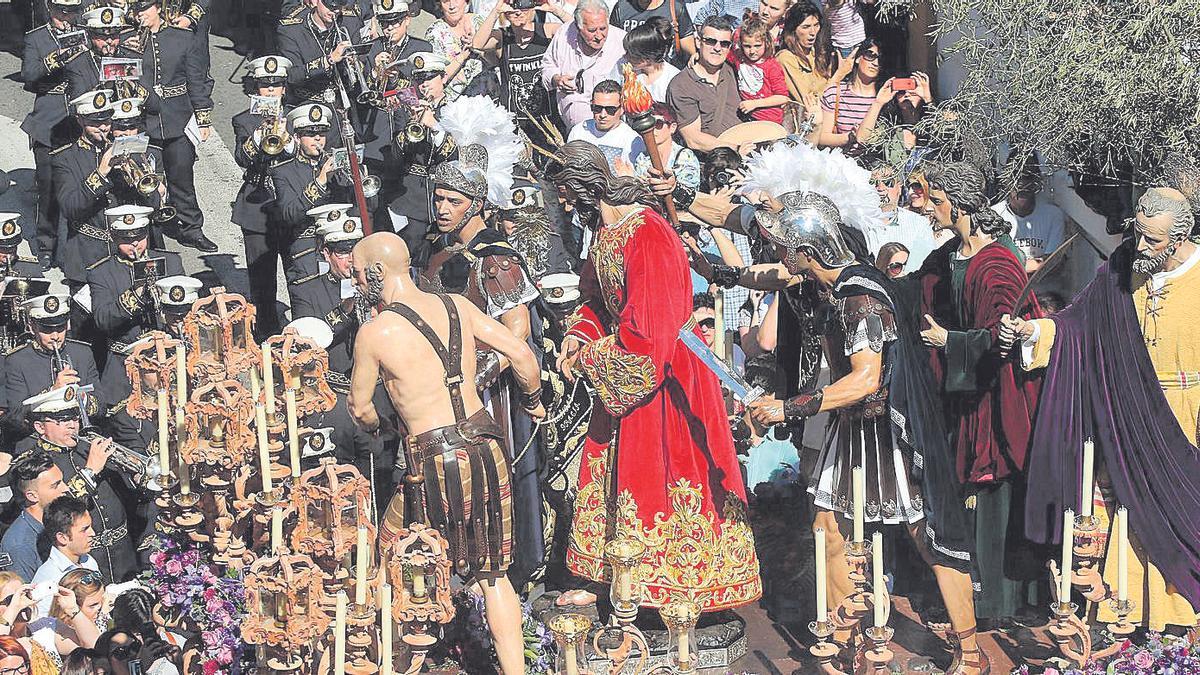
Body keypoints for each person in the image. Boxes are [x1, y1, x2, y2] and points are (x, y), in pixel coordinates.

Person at [736, 167, 981, 672]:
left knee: (926, 531)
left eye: (790, 249)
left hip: (888, 431)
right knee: (829, 526)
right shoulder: (850, 281)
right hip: (855, 429)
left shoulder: (856, 296)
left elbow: (867, 380)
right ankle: (846, 639)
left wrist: (787, 408)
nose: (785, 258)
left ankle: (971, 650)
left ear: (809, 251)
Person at [548, 141, 761, 611]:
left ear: (581, 187)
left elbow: (650, 334)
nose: (561, 202)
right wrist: (580, 333)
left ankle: (672, 584)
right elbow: (597, 299)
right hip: (621, 372)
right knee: (610, 474)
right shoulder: (607, 233)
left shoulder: (649, 233)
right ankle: (608, 576)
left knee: (658, 476)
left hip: (667, 378)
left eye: (564, 191)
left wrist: (589, 359)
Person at [1000, 187, 1200, 630]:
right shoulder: (1124, 268)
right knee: (1130, 517)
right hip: (1128, 419)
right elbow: (1076, 324)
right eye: (1139, 235)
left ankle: (1181, 624)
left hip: (1184, 422)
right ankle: (1129, 618)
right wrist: (1032, 332)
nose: (1141, 247)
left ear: (1182, 235)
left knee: (1183, 521)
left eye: (1154, 241)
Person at [348, 231, 545, 675]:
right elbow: (520, 353)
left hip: (432, 460)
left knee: (390, 554)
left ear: (376, 274)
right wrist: (533, 402)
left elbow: (360, 408)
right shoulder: (458, 305)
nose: (357, 282)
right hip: (486, 445)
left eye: (359, 274)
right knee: (493, 576)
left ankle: (389, 661)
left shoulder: (375, 332)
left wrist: (380, 427)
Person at [913, 160, 1043, 625]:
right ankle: (971, 594)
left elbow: (999, 335)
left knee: (993, 499)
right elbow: (921, 288)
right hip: (966, 398)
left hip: (995, 399)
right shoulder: (953, 253)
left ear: (959, 201)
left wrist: (949, 342)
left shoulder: (996, 262)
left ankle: (997, 603)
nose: (929, 207)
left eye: (936, 198)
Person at [124, 0, 217, 253]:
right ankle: (151, 233)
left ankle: (191, 228)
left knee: (183, 178)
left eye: (144, 10)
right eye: (136, 11)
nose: (139, 15)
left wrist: (203, 116)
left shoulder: (182, 37)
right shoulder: (128, 41)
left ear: (157, 9)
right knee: (146, 179)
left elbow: (196, 79)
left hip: (177, 117)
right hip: (144, 122)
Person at [25, 389, 134, 585]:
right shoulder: (37, 464)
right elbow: (55, 509)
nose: (71, 425)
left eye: (74, 418)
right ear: (40, 427)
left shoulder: (87, 447)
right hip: (87, 557)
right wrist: (90, 470)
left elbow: (127, 488)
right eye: (61, 420)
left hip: (123, 552)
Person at [21, 0, 85, 269]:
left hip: (82, 119)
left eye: (71, 11)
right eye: (61, 11)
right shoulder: (37, 38)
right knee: (48, 188)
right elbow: (29, 75)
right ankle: (46, 244)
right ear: (50, 9)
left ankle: (78, 244)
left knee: (82, 185)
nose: (66, 16)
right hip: (49, 120)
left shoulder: (86, 33)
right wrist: (55, 59)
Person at [233, 55, 293, 338]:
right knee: (262, 280)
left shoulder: (297, 117)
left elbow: (309, 154)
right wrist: (259, 135)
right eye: (265, 86)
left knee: (298, 274)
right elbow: (242, 158)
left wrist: (287, 137)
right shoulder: (244, 121)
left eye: (276, 85)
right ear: (256, 88)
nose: (270, 91)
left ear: (284, 88)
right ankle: (267, 334)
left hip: (290, 206)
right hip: (257, 208)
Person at [85, 205, 185, 355]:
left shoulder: (171, 261)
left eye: (139, 236)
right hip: (124, 357)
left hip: (169, 351)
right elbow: (103, 320)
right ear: (113, 237)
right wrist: (135, 295)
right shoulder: (101, 272)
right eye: (126, 239)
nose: (135, 244)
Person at [51, 89, 120, 289]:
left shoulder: (124, 150)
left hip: (124, 250)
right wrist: (101, 173)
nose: (104, 128)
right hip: (86, 254)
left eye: (107, 121)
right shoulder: (64, 159)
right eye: (95, 123)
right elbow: (70, 208)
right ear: (80, 120)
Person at [4, 294, 102, 432]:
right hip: (36, 439)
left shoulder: (83, 353)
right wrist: (52, 392)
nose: (55, 336)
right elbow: (15, 416)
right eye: (47, 329)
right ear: (32, 327)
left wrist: (83, 398)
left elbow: (102, 407)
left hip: (78, 435)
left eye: (60, 328)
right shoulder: (16, 361)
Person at [291, 216, 363, 373]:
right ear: (326, 253)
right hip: (334, 384)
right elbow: (306, 344)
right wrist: (343, 312)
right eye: (343, 252)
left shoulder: (375, 284)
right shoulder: (306, 291)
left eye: (355, 251)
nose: (351, 259)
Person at [540, 0, 627, 130]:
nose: (599, 35)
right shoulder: (564, 35)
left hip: (610, 132)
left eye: (603, 28)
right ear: (578, 27)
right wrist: (556, 79)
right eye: (592, 30)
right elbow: (547, 66)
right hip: (572, 131)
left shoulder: (622, 42)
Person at [666, 15, 742, 152]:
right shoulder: (682, 85)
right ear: (698, 42)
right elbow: (693, 139)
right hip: (712, 160)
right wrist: (736, 149)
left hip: (747, 147)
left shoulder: (733, 69)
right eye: (711, 41)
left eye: (724, 44)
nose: (718, 48)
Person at [276, 0, 366, 106]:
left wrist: (356, 64)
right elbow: (292, 76)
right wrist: (328, 60)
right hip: (306, 103)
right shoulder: (291, 30)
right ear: (316, 2)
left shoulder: (350, 21)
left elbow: (361, 61)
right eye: (329, 6)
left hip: (341, 102)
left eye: (338, 7)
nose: (334, 12)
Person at [990, 155, 1066, 274]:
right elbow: (992, 265)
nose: (1022, 183)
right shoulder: (994, 215)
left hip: (1043, 290)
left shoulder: (1053, 215)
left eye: (1028, 176)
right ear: (1006, 180)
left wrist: (1010, 266)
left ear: (1037, 181)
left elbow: (1052, 263)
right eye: (1016, 176)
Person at [1, 451, 69, 582]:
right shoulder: (19, 546)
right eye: (56, 485)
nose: (65, 488)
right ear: (32, 496)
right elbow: (24, 597)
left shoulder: (58, 521)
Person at [818, 37, 895, 151]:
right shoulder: (835, 93)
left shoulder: (885, 97)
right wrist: (849, 137)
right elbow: (821, 137)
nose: (875, 63)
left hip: (875, 163)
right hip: (842, 162)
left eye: (880, 59)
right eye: (870, 55)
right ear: (858, 58)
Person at [858, 161, 939, 267]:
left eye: (887, 182)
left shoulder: (918, 224)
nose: (881, 188)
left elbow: (926, 267)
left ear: (899, 187)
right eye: (873, 182)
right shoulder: (856, 223)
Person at [31, 495, 101, 606]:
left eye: (91, 527)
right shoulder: (49, 579)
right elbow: (42, 621)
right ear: (62, 538)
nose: (92, 533)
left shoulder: (88, 561)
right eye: (84, 529)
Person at [775, 2, 850, 101]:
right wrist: (839, 76)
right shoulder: (786, 58)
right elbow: (809, 102)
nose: (813, 32)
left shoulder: (816, 53)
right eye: (806, 27)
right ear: (793, 30)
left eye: (816, 25)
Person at [566, 80, 646, 171]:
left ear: (622, 109)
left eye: (610, 109)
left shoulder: (632, 141)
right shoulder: (578, 131)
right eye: (597, 108)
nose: (603, 115)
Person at [29, 568, 104, 666]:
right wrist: (72, 609)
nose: (100, 608)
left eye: (102, 601)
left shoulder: (103, 619)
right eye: (93, 605)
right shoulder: (55, 629)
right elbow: (95, 647)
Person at [729, 12, 789, 124]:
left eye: (757, 46)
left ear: (766, 43)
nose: (752, 51)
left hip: (769, 119)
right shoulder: (739, 57)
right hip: (746, 115)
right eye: (747, 46)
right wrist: (697, 55)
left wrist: (754, 103)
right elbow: (722, 55)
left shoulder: (771, 66)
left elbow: (782, 97)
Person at [428, 0, 490, 101]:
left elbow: (495, 57)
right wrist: (463, 56)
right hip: (455, 103)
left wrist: (478, 44)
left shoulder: (479, 21)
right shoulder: (435, 32)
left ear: (466, 2)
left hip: (488, 97)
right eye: (445, 1)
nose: (452, 6)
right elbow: (438, 77)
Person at [607, 0, 694, 67]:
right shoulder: (622, 8)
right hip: (631, 71)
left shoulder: (675, 8)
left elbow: (687, 43)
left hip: (664, 70)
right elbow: (613, 41)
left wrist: (695, 58)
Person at [615, 18, 679, 103]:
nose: (625, 56)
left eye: (631, 54)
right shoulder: (622, 65)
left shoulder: (673, 79)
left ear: (648, 57)